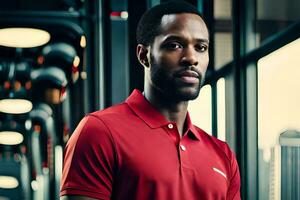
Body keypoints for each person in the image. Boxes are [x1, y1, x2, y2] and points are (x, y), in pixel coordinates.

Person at [60, 1, 241, 200]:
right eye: (175, 45)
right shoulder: (99, 132)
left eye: (201, 47)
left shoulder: (223, 155)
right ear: (144, 55)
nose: (191, 57)